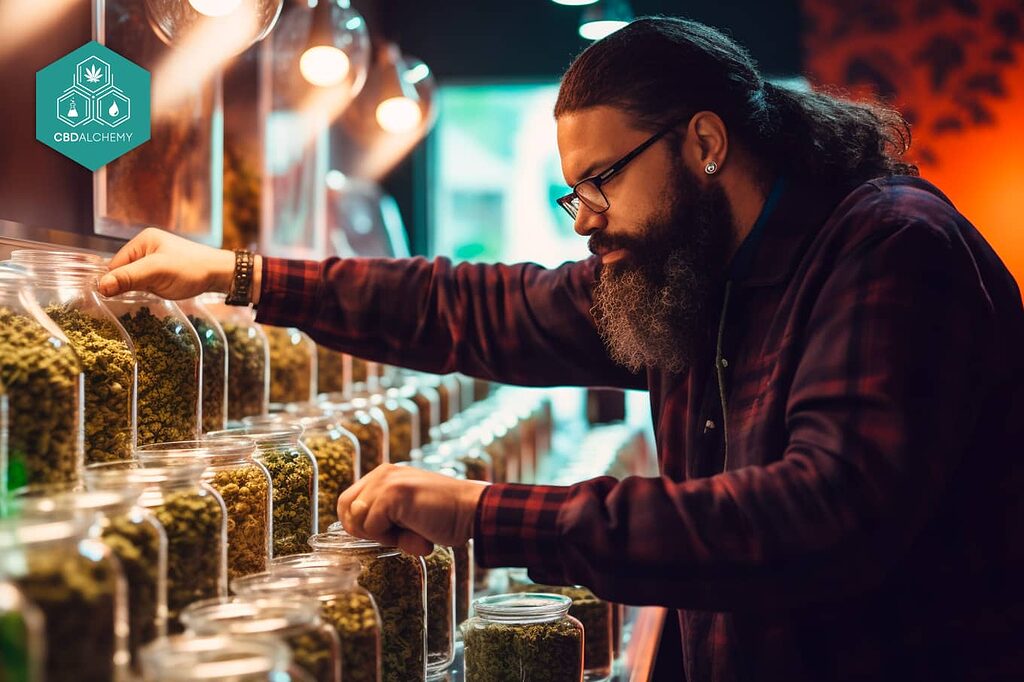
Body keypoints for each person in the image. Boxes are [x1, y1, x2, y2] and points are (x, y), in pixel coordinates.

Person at [99, 17, 1024, 682]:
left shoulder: (889, 246)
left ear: (704, 142)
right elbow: (480, 306)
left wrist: (488, 512)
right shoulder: (696, 271)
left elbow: (814, 518)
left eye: (601, 182)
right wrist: (240, 273)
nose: (586, 222)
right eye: (570, 193)